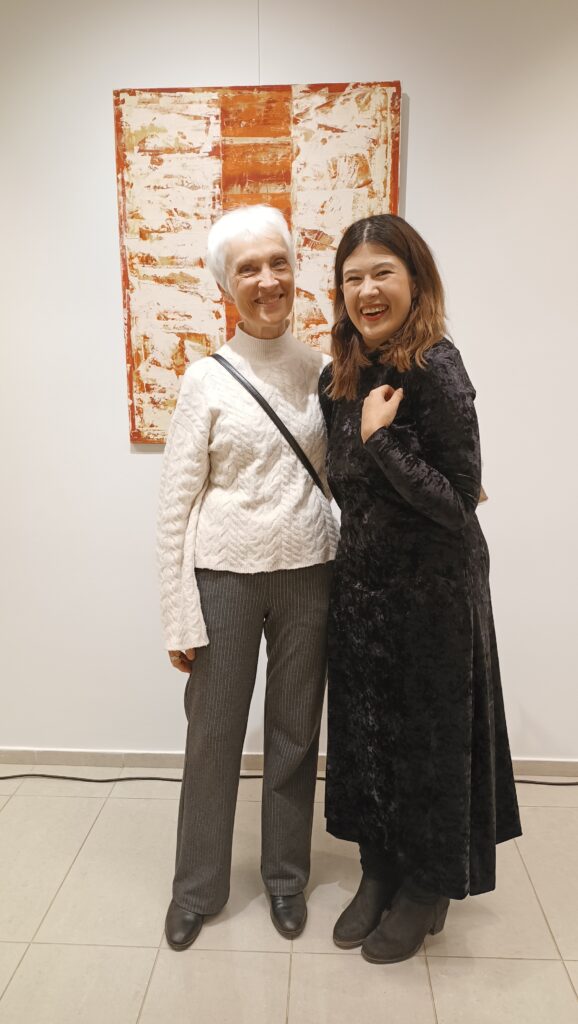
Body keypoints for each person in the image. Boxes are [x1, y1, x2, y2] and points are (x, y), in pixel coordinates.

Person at [318, 213, 521, 965]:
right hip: (362, 587)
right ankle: (378, 870)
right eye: (353, 278)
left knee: (429, 741)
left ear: (415, 281)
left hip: (435, 590)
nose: (367, 291)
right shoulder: (338, 378)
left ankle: (428, 885)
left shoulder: (437, 368)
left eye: (383, 273)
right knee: (368, 737)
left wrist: (384, 441)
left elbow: (458, 502)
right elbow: (344, 488)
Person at [157, 204, 338, 950]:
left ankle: (286, 880)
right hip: (224, 578)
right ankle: (197, 889)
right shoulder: (205, 379)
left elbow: (343, 477)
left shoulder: (323, 371)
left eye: (278, 263)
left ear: (295, 269)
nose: (267, 280)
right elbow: (175, 504)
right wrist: (178, 612)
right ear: (225, 285)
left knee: (296, 734)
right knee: (214, 737)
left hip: (310, 573)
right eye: (248, 269)